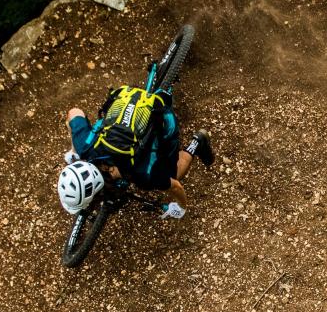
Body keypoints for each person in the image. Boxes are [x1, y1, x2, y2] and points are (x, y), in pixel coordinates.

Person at [56, 85, 213, 218]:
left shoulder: (143, 174)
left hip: (162, 118)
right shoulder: (85, 147)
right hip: (126, 96)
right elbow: (74, 112)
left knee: (175, 174)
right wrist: (75, 150)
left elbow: (176, 187)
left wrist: (181, 208)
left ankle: (197, 142)